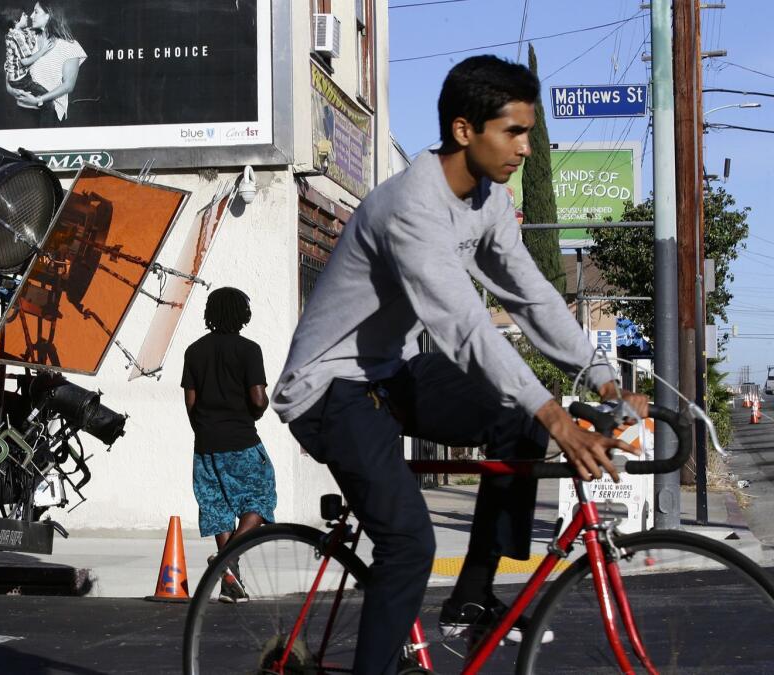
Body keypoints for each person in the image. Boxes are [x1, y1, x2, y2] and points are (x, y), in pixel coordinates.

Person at [272, 55, 649, 675]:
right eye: (514, 131)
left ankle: (473, 597)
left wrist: (603, 378)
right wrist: (557, 416)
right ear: (464, 129)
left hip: (390, 373)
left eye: (530, 132)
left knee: (517, 421)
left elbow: (530, 296)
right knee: (409, 544)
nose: (526, 148)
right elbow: (466, 329)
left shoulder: (488, 202)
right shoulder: (409, 209)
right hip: (328, 388)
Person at [182, 287, 275, 604]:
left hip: (205, 445)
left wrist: (206, 428)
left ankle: (229, 582)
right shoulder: (250, 350)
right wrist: (256, 413)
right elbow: (258, 398)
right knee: (261, 498)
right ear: (242, 315)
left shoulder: (194, 351)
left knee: (219, 510)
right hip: (241, 441)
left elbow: (190, 403)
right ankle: (225, 562)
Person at [7, 1, 87, 126]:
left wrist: (38, 100)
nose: (31, 16)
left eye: (36, 11)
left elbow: (68, 86)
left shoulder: (69, 46)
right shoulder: (25, 37)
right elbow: (10, 66)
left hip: (49, 114)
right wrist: (13, 91)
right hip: (22, 109)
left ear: (48, 15)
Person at [1, 9, 46, 109]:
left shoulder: (18, 32)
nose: (28, 16)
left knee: (38, 92)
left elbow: (31, 31)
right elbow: (25, 61)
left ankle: (27, 100)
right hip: (20, 79)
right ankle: (25, 103)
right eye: (24, 15)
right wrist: (43, 50)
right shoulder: (16, 36)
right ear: (16, 21)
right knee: (45, 95)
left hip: (15, 77)